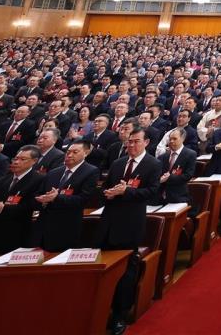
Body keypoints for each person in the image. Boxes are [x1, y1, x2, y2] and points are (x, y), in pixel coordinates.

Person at [97, 126, 160, 335]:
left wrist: (127, 191)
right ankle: (102, 308)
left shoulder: (153, 164)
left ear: (146, 142)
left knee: (126, 272)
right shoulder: (118, 163)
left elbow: (151, 192)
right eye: (129, 142)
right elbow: (106, 186)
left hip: (131, 223)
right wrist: (108, 192)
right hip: (109, 221)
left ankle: (120, 314)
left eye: (136, 141)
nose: (131, 145)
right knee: (105, 268)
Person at [33, 140, 100, 251]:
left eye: (75, 152)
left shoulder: (91, 171)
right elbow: (39, 193)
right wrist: (42, 199)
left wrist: (56, 197)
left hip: (67, 224)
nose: (69, 155)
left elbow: (83, 199)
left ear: (86, 153)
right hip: (45, 224)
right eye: (68, 152)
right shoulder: (53, 172)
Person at [0, 144, 46, 255]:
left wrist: (3, 209)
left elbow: (32, 205)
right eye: (15, 158)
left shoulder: (39, 179)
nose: (16, 162)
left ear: (34, 161)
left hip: (19, 233)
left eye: (22, 159)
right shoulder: (1, 181)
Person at [158, 128, 197, 204]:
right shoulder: (163, 156)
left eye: (174, 139)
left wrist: (169, 177)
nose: (171, 141)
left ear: (182, 139)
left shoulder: (190, 154)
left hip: (179, 197)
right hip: (160, 197)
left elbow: (188, 175)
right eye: (170, 139)